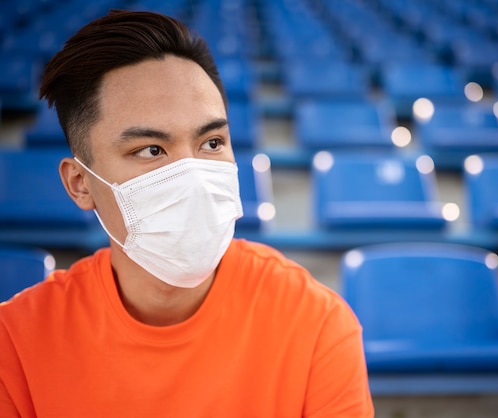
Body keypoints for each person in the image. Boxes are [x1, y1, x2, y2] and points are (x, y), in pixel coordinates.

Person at [0, 9, 374, 417]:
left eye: (212, 143)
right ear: (80, 183)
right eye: (151, 150)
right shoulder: (15, 346)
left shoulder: (316, 324)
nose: (193, 176)